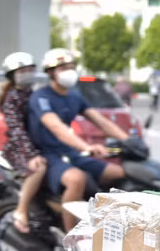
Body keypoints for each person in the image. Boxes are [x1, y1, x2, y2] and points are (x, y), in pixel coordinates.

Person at [28, 48, 129, 232]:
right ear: (50, 73)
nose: (69, 71)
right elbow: (57, 128)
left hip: (70, 153)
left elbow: (100, 121)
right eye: (63, 67)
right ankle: (72, 239)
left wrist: (128, 140)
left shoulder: (74, 96)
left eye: (71, 66)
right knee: (76, 180)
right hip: (47, 155)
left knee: (118, 173)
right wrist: (87, 146)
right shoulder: (40, 97)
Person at [0, 52, 47, 233]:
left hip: (35, 146)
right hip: (19, 149)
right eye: (23, 70)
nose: (28, 73)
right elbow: (17, 130)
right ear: (13, 74)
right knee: (38, 168)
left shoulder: (33, 94)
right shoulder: (12, 98)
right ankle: (21, 210)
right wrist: (31, 155)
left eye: (30, 70)